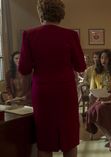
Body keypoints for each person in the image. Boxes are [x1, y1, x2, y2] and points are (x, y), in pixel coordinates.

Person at [18, 0, 86, 157]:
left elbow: (24, 68)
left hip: (43, 93)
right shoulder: (71, 35)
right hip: (65, 92)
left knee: (45, 139)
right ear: (60, 13)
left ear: (41, 12)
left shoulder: (29, 35)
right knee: (69, 139)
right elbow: (81, 66)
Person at [86, 49, 111, 152]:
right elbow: (92, 88)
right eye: (102, 58)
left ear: (110, 59)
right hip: (100, 99)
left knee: (101, 109)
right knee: (90, 112)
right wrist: (98, 95)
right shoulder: (95, 71)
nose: (103, 60)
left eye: (106, 58)